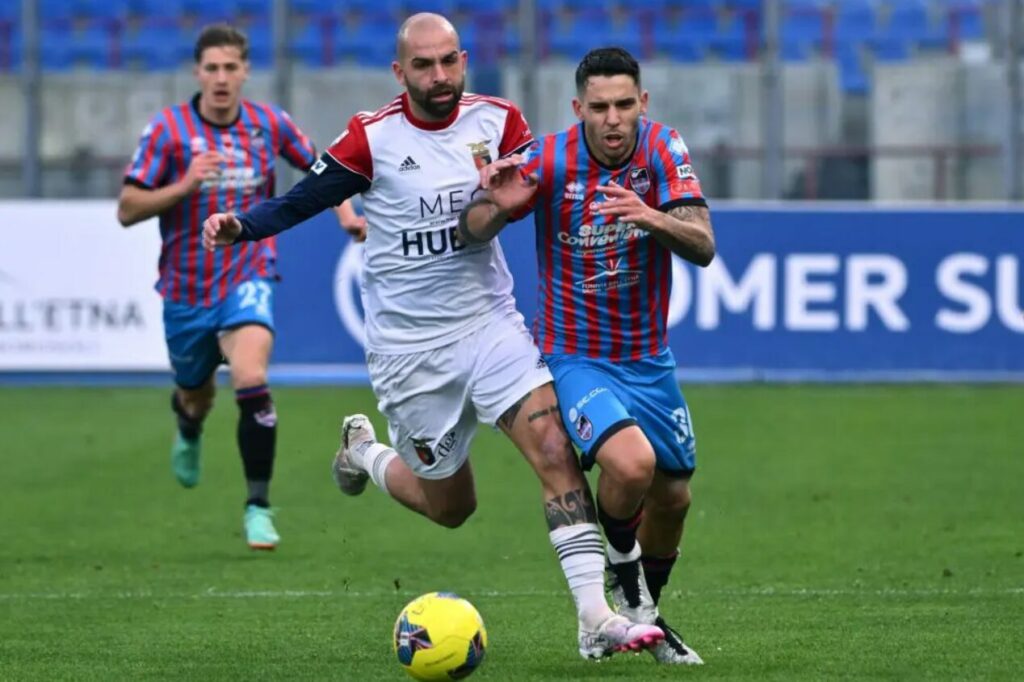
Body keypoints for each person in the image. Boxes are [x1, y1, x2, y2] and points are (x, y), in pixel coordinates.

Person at [200, 14, 663, 660]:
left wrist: (509, 202)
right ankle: (363, 450)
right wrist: (242, 227)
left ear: (464, 59)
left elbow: (527, 194)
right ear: (400, 71)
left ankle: (594, 618)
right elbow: (306, 197)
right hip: (410, 352)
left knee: (555, 448)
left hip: (489, 325)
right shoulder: (374, 138)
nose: (439, 76)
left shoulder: (499, 122)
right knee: (452, 506)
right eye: (424, 65)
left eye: (449, 61)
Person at [458, 46, 716, 665]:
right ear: (578, 109)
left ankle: (633, 616)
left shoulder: (663, 149)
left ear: (642, 104)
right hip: (575, 357)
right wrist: (497, 207)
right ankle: (636, 610)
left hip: (649, 360)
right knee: (631, 467)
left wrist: (650, 217)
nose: (613, 118)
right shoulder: (548, 158)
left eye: (625, 104)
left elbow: (703, 243)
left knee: (674, 498)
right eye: (598, 107)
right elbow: (472, 225)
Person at [117, 24, 361, 550]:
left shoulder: (268, 124)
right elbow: (127, 208)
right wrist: (186, 184)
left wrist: (346, 214)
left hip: (247, 272)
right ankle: (187, 425)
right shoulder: (168, 131)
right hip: (185, 289)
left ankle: (257, 507)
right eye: (212, 68)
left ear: (246, 71)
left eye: (231, 68)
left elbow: (325, 171)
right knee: (197, 395)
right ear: (197, 73)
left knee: (251, 378)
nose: (222, 78)